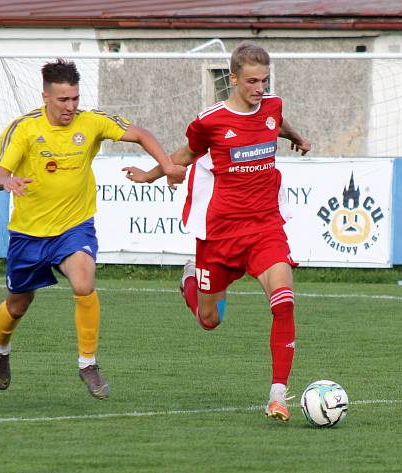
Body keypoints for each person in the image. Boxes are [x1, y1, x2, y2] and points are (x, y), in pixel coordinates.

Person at [122, 42, 311, 421]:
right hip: (221, 235)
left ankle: (278, 395)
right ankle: (190, 281)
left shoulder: (271, 107)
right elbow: (184, 156)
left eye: (265, 80)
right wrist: (151, 174)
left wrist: (295, 137)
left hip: (265, 227)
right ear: (233, 79)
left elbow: (278, 121)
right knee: (209, 321)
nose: (260, 88)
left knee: (285, 300)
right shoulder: (209, 121)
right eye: (252, 81)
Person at [0, 59, 186, 399]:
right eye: (64, 100)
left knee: (84, 280)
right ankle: (1, 350)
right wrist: (9, 181)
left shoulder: (91, 122)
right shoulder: (23, 129)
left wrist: (166, 165)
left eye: (75, 98)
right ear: (46, 97)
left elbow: (139, 134)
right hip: (29, 233)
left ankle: (88, 364)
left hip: (74, 227)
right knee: (18, 305)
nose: (71, 106)